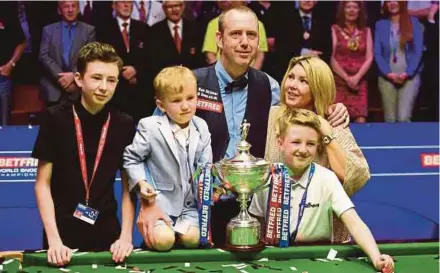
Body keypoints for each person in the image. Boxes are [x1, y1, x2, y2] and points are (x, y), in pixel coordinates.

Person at [249, 108, 394, 273]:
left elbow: (355, 223)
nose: (303, 150)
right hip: (274, 261)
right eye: (296, 142)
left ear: (318, 146)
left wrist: (376, 257)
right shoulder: (267, 178)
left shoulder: (327, 178)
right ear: (280, 143)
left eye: (310, 144)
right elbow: (255, 225)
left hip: (320, 260)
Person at [32, 42, 136, 266]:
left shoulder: (124, 124)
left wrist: (126, 237)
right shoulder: (54, 118)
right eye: (96, 78)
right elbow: (42, 184)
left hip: (109, 237)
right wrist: (54, 241)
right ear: (79, 79)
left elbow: (130, 187)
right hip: (61, 237)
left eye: (111, 80)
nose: (104, 87)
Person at [265, 56, 370, 242]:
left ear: (318, 89)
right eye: (291, 77)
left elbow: (357, 176)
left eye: (303, 81)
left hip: (324, 239)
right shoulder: (272, 116)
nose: (292, 85)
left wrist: (326, 134)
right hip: (274, 236)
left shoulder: (333, 122)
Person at [123, 66, 212, 251]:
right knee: (164, 241)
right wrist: (141, 183)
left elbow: (206, 167)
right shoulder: (149, 126)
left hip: (189, 207)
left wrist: (214, 187)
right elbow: (131, 158)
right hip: (159, 204)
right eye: (176, 100)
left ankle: (178, 234)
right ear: (161, 105)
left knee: (193, 240)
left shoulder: (202, 126)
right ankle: (159, 236)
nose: (186, 106)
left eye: (190, 98)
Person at [39, 0, 95, 106]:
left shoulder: (89, 31)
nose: (70, 10)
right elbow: (43, 56)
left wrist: (73, 76)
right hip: (53, 89)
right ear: (59, 10)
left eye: (73, 6)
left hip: (78, 89)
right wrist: (60, 77)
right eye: (66, 7)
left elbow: (90, 57)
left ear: (78, 9)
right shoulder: (48, 30)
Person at [375, 1, 424, 122]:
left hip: (409, 77)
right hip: (387, 77)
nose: (392, 3)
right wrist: (388, 73)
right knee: (390, 119)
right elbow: (377, 53)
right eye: (388, 1)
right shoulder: (381, 25)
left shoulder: (414, 23)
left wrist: (407, 73)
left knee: (404, 118)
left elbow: (418, 52)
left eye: (395, 0)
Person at [331, 1, 373, 123]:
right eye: (348, 7)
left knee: (361, 119)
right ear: (342, 10)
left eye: (355, 7)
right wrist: (346, 78)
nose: (351, 10)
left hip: (359, 83)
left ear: (360, 10)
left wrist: (356, 78)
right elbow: (332, 57)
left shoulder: (366, 30)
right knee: (339, 120)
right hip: (339, 81)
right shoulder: (334, 29)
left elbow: (369, 57)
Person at [0, 2, 25, 126]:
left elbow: (21, 41)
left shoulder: (6, 7)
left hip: (2, 77)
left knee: (4, 125)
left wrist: (11, 64)